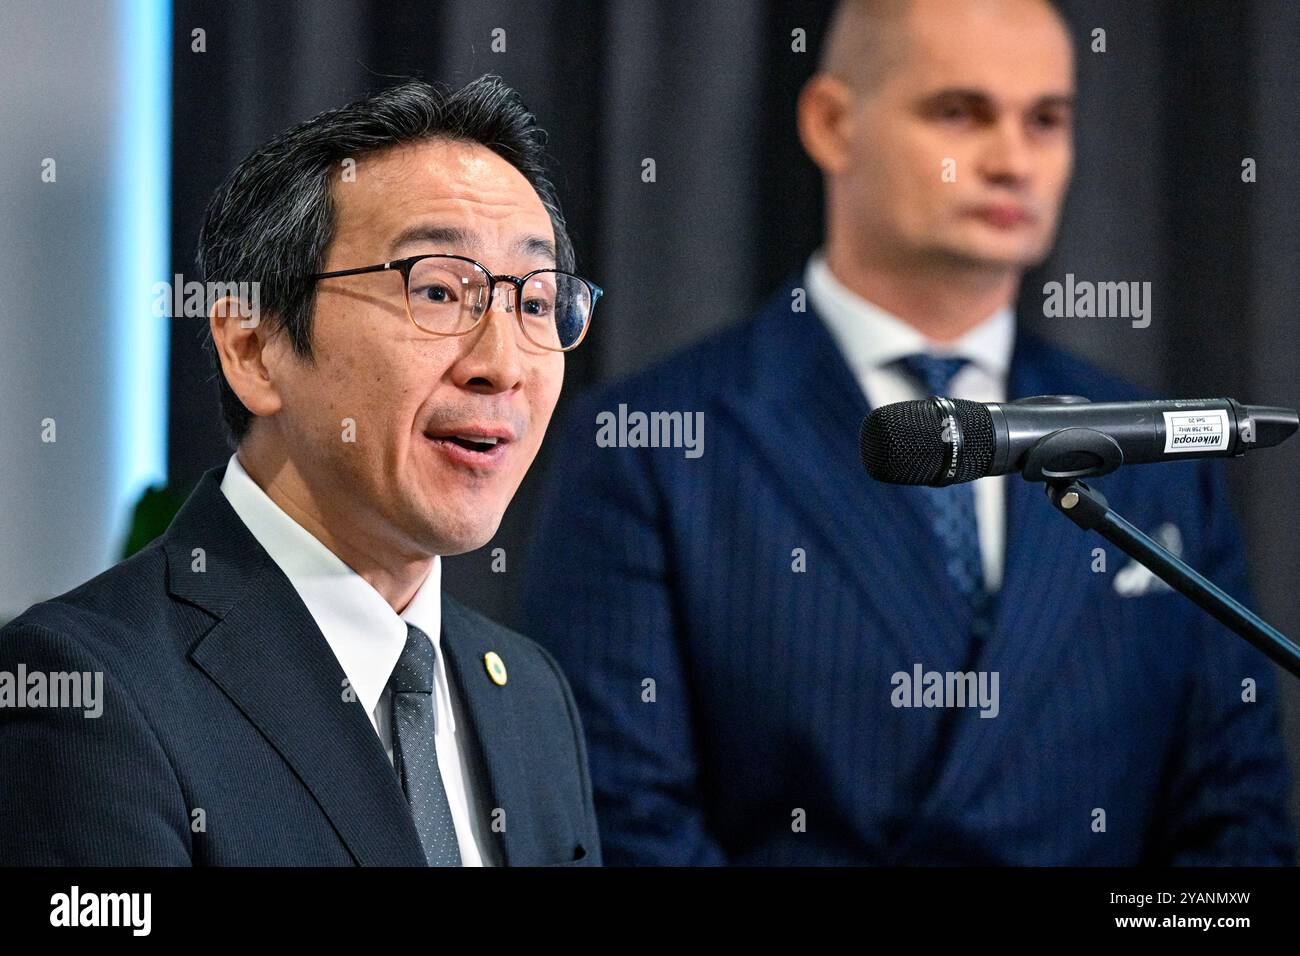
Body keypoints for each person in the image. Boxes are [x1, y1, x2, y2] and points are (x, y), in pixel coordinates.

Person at [522, 0, 1295, 864]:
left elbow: (1239, 818)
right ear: (833, 123)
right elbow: (621, 824)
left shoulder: (1163, 455)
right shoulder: (647, 444)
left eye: (1046, 120)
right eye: (960, 113)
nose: (1012, 161)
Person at [0, 76, 602, 866]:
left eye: (534, 301)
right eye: (437, 290)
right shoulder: (89, 692)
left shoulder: (528, 693)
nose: (502, 365)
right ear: (252, 347)